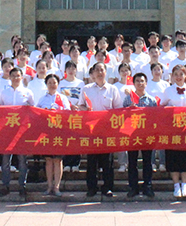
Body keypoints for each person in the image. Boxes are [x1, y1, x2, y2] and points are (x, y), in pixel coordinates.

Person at [78, 62, 123, 198]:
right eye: (96, 70)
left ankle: (107, 187)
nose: (99, 72)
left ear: (106, 72)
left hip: (107, 131)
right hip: (91, 130)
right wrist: (86, 110)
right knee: (92, 161)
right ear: (92, 73)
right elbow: (80, 106)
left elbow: (118, 109)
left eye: (101, 70)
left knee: (107, 161)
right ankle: (92, 187)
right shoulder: (86, 89)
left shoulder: (112, 89)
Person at [161, 64, 186, 198]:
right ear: (172, 76)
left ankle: (185, 185)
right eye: (176, 74)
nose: (178, 77)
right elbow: (162, 107)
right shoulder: (168, 91)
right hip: (173, 130)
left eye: (181, 74)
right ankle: (176, 186)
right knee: (174, 157)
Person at [0, 67, 35, 199]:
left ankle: (22, 186)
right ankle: (5, 185)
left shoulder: (27, 92)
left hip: (21, 131)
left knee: (22, 160)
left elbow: (33, 109)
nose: (15, 78)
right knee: (5, 160)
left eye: (18, 76)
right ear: (9, 77)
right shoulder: (4, 92)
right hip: (6, 130)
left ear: (22, 77)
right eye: (13, 76)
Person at [37, 73, 75, 196]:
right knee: (48, 160)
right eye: (49, 83)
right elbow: (36, 113)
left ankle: (57, 187)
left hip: (59, 132)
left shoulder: (63, 98)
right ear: (46, 84)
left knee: (58, 160)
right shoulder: (42, 99)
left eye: (54, 83)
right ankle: (49, 186)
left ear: (58, 84)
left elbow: (68, 114)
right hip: (46, 133)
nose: (52, 85)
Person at [123, 72, 158, 198]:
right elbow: (121, 117)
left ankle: (147, 186)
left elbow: (155, 118)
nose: (140, 83)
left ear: (146, 83)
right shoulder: (128, 99)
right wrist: (129, 110)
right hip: (132, 134)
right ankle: (133, 187)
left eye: (142, 81)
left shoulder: (151, 100)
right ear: (133, 83)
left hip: (146, 134)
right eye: (137, 81)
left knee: (147, 162)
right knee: (132, 162)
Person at [58, 60, 85, 173]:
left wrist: (77, 106)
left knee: (76, 139)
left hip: (77, 114)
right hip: (65, 115)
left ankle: (76, 163)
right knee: (66, 138)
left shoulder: (80, 83)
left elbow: (83, 98)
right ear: (65, 70)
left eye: (73, 68)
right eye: (68, 68)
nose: (71, 70)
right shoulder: (61, 83)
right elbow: (59, 98)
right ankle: (66, 163)